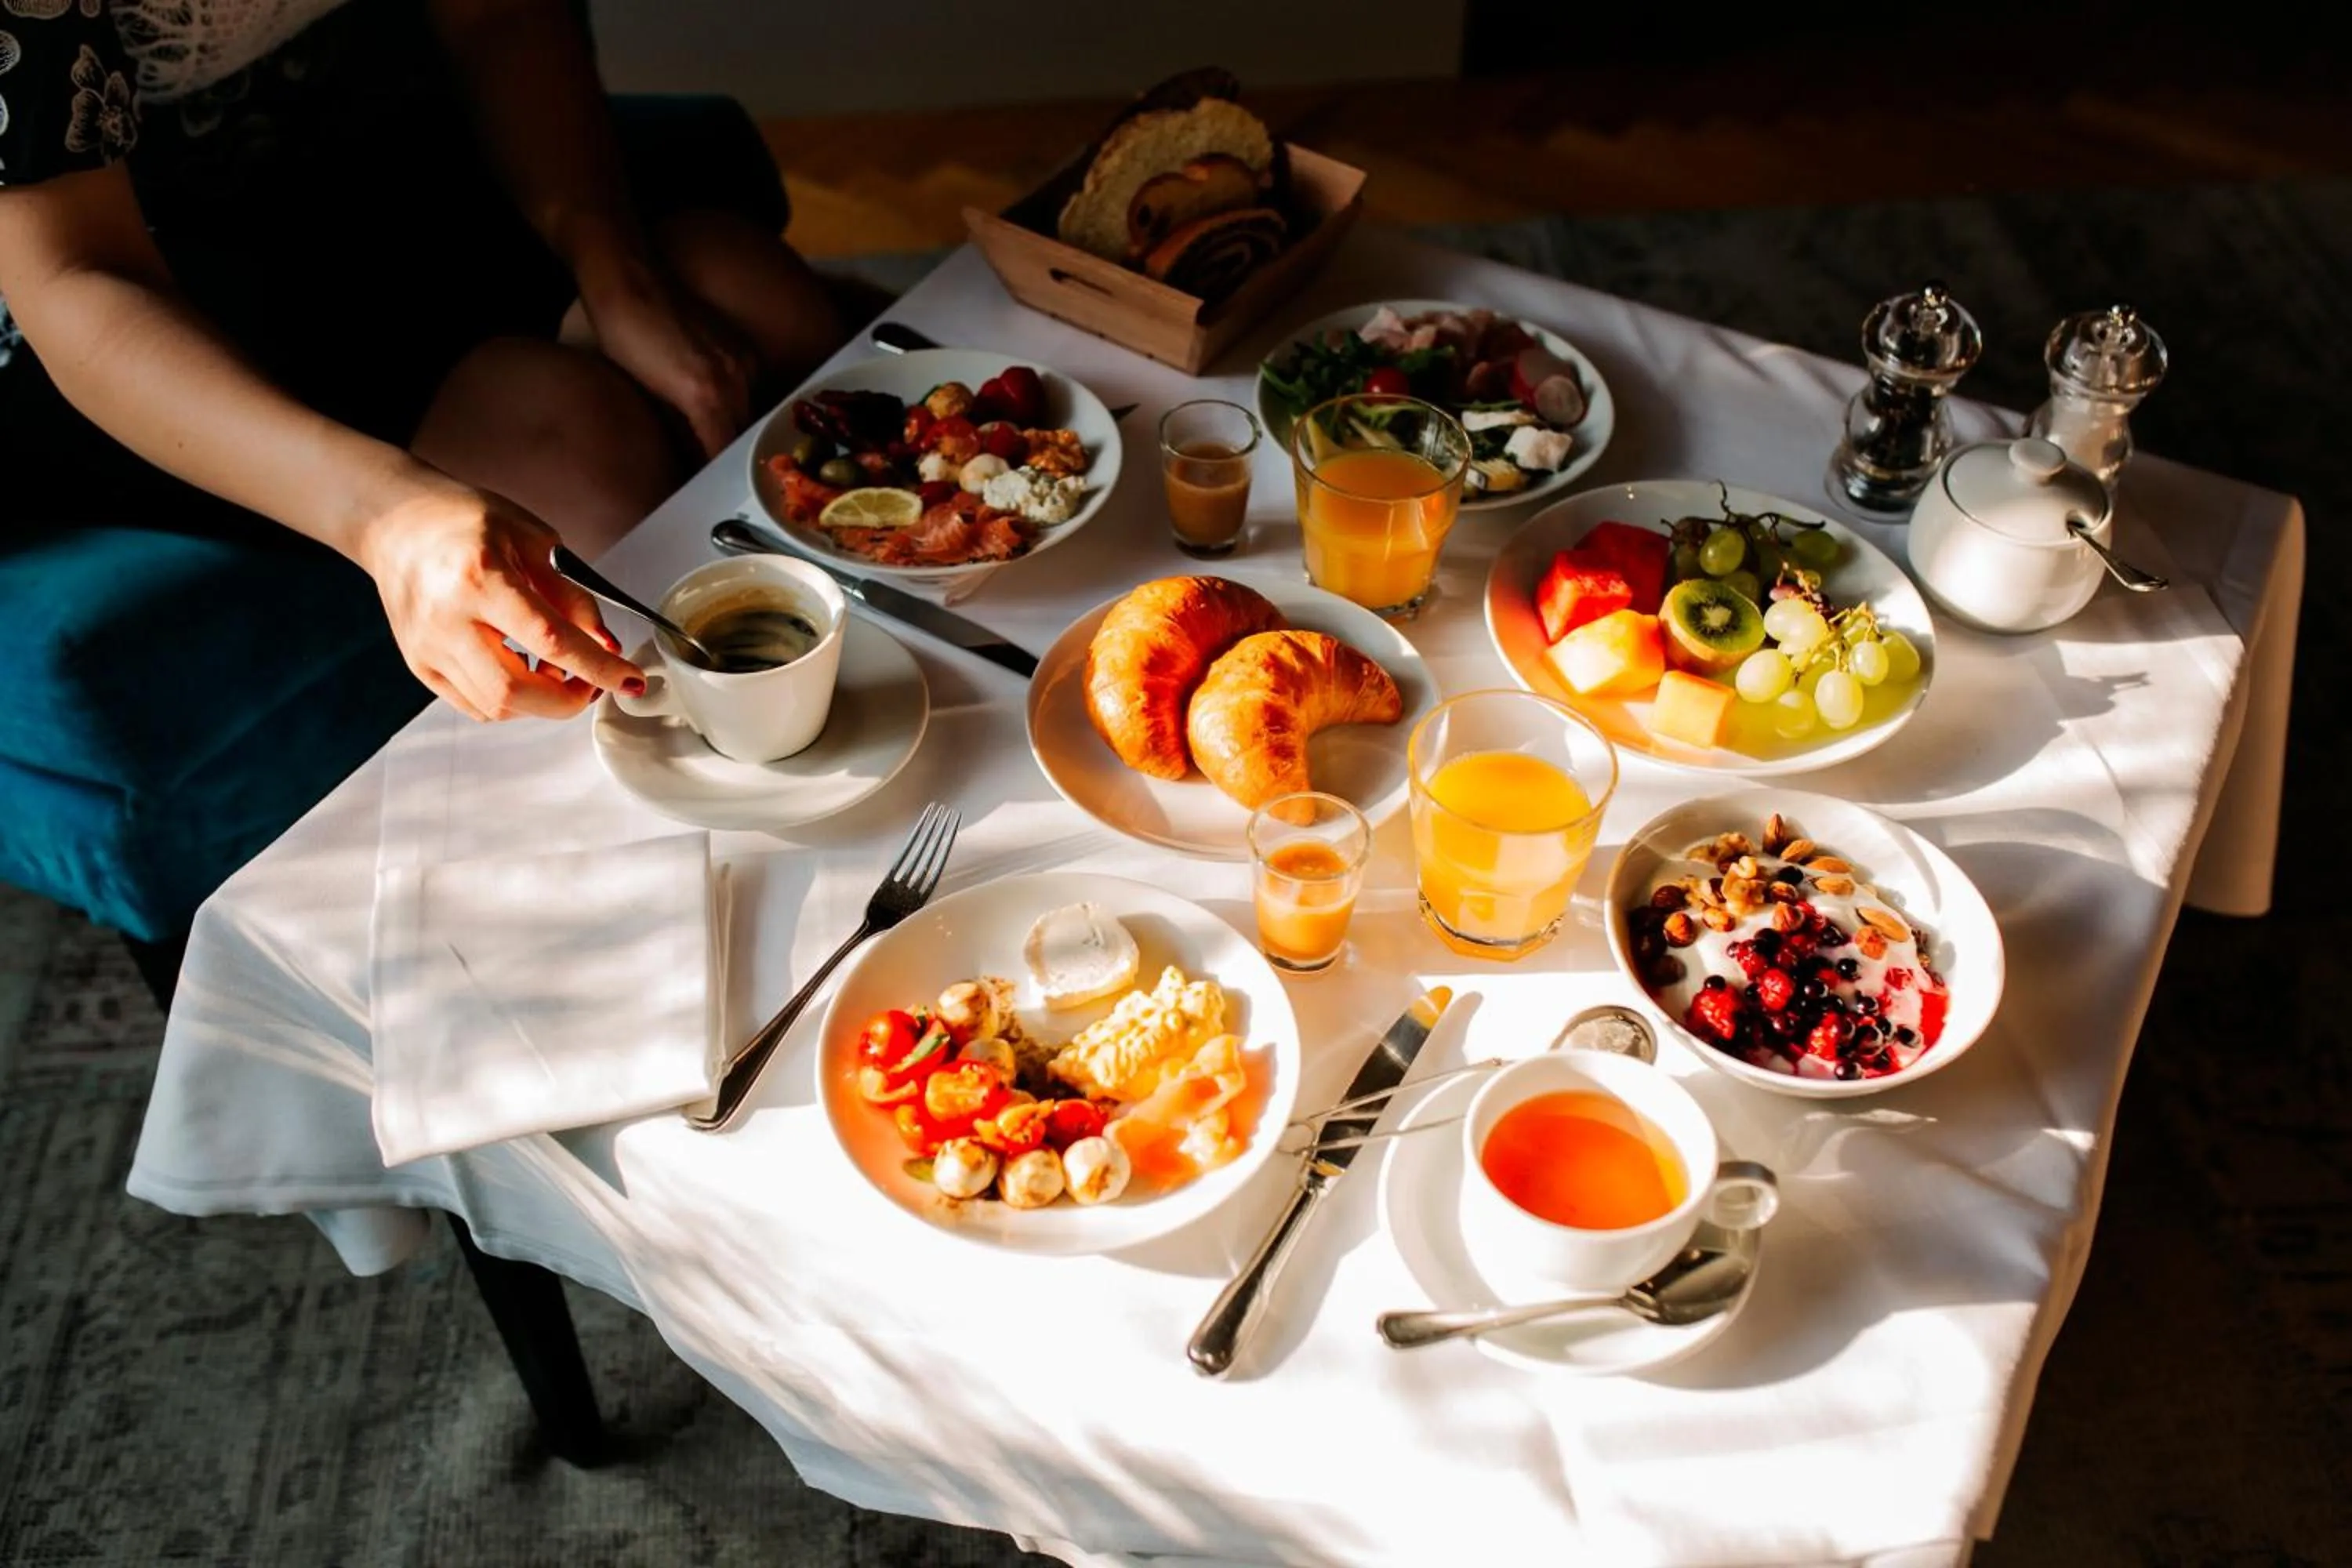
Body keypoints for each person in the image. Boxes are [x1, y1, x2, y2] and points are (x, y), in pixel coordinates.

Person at [0, 0, 845, 722]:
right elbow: (76, 273)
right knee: (577, 468)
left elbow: (500, 13)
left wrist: (618, 275)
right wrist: (386, 515)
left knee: (760, 303)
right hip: (146, 281)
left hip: (400, 152)